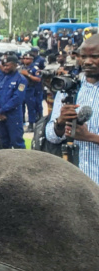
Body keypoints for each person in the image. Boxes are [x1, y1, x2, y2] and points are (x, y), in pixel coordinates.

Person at [45, 34, 99, 184]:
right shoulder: (69, 88)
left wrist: (89, 137)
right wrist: (60, 123)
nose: (87, 62)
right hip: (76, 184)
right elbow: (51, 136)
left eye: (95, 57)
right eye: (83, 56)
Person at [0, 53, 26, 149]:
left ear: (15, 65)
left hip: (13, 116)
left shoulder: (21, 79)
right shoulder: (3, 78)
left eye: (8, 65)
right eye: (4, 65)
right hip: (1, 116)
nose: (5, 68)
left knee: (17, 142)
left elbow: (17, 99)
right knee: (3, 143)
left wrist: (1, 111)